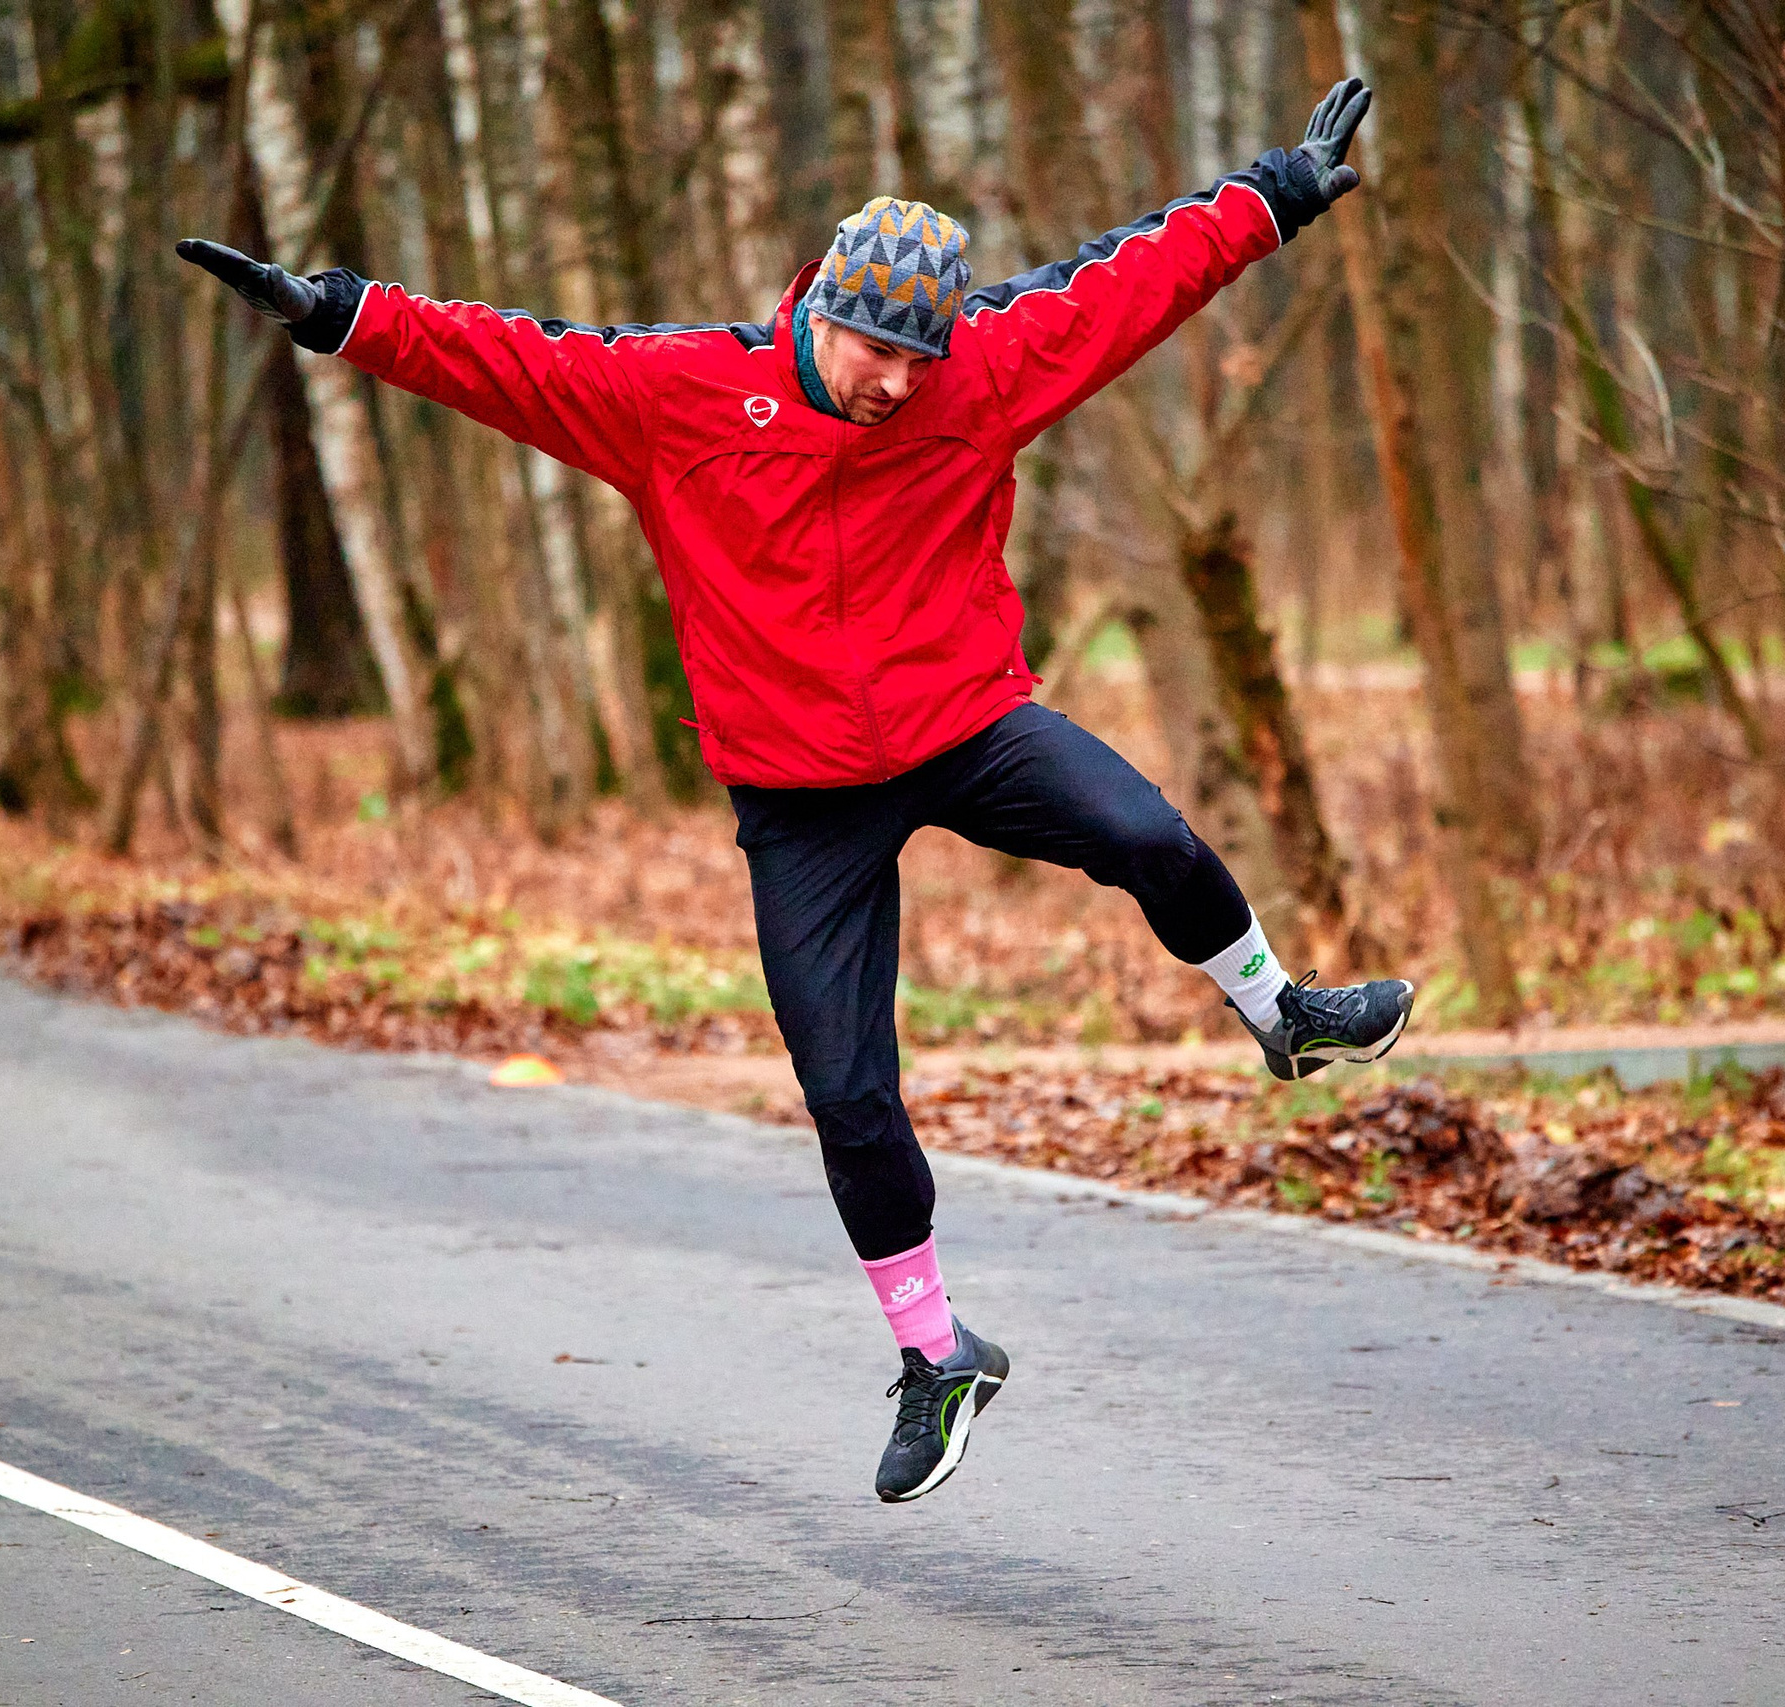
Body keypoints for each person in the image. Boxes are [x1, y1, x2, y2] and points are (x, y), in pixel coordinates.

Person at [183, 77, 1408, 1504]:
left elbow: (1130, 283)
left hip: (963, 719)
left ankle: (1286, 1015)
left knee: (1146, 830)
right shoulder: (682, 396)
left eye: (918, 353)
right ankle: (939, 1355)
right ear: (819, 304)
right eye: (875, 343)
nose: (896, 378)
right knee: (847, 1094)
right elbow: (504, 358)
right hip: (798, 791)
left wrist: (1273, 197)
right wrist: (337, 313)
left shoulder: (981, 371)